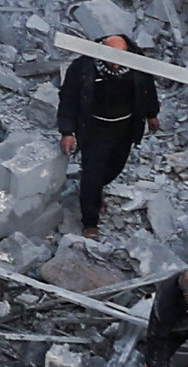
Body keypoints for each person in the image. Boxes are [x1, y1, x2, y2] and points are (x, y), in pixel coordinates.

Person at [58, 31, 162, 236]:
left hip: (124, 128)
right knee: (92, 175)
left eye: (120, 57)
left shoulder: (137, 64)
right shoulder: (83, 68)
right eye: (111, 58)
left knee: (115, 167)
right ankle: (90, 222)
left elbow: (148, 89)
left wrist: (152, 114)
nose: (115, 63)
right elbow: (68, 99)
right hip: (94, 130)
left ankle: (94, 190)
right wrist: (67, 131)